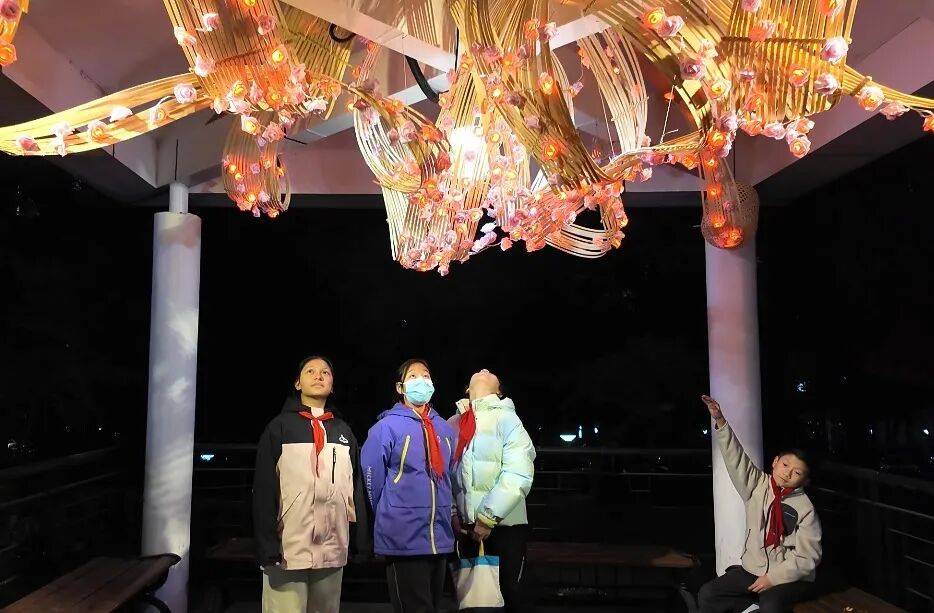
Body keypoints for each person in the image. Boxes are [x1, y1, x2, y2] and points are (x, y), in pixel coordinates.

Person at [252, 355, 369, 613]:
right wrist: (267, 545)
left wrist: (359, 541)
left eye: (325, 372)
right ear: (297, 383)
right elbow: (263, 489)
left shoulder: (343, 431)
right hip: (288, 548)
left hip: (332, 548)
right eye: (310, 371)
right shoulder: (279, 428)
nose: (318, 376)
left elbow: (355, 488)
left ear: (332, 385)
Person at [698, 395, 821, 613]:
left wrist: (773, 578)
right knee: (709, 594)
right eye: (785, 465)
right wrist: (720, 420)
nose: (788, 473)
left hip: (788, 577)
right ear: (775, 462)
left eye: (797, 473)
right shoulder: (757, 484)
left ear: (804, 480)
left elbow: (808, 557)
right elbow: (736, 458)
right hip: (752, 569)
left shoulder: (805, 508)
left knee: (770, 604)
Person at [360, 359, 456, 613]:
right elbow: (372, 479)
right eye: (413, 376)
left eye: (426, 375)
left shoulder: (444, 428)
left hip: (439, 537)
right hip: (404, 538)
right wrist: (391, 512)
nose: (421, 380)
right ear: (400, 387)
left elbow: (450, 477)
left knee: (433, 606)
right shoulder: (386, 427)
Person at [449, 369, 536, 613]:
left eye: (491, 373)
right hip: (466, 529)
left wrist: (487, 517)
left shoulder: (508, 419)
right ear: (467, 389)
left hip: (505, 527)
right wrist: (453, 512)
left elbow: (518, 472)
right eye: (479, 371)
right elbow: (446, 475)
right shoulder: (454, 423)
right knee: (472, 600)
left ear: (499, 392)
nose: (484, 370)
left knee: (509, 595)